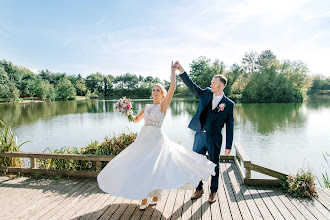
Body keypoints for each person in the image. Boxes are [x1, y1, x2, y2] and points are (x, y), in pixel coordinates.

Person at [97, 62, 216, 210]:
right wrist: (126, 111)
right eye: (153, 89)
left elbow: (172, 86)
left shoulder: (163, 106)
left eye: (158, 90)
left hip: (156, 140)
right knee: (140, 166)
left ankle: (146, 197)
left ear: (162, 94)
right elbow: (135, 120)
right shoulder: (147, 107)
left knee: (152, 167)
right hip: (143, 139)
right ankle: (149, 196)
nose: (155, 91)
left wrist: (173, 71)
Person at [174, 61, 234, 203]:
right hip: (200, 136)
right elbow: (191, 85)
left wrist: (228, 145)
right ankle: (198, 188)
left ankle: (213, 191)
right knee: (196, 163)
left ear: (221, 85)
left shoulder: (229, 104)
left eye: (214, 83)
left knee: (214, 164)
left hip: (214, 138)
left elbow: (230, 126)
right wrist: (181, 70)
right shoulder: (205, 93)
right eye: (211, 82)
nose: (211, 84)